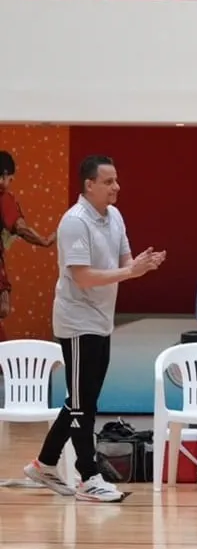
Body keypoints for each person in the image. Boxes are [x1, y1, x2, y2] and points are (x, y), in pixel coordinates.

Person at [22, 155, 165, 503]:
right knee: (83, 403)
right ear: (89, 185)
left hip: (101, 321)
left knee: (81, 400)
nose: (116, 187)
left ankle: (43, 464)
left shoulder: (114, 216)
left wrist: (141, 266)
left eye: (116, 180)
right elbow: (83, 277)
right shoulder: (74, 222)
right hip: (76, 322)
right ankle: (88, 477)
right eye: (108, 181)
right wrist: (129, 273)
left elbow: (123, 265)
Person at [0, 150, 56, 336]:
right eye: (10, 180)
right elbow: (20, 227)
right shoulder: (3, 197)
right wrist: (44, 240)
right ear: (5, 175)